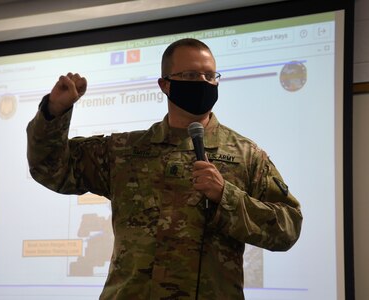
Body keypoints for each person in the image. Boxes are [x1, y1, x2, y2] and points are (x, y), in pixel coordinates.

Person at [27, 38, 303, 300]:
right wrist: (53, 112)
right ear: (165, 85)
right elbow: (51, 169)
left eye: (210, 76)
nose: (204, 83)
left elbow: (287, 227)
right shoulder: (125, 150)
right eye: (191, 76)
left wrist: (225, 197)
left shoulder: (246, 155)